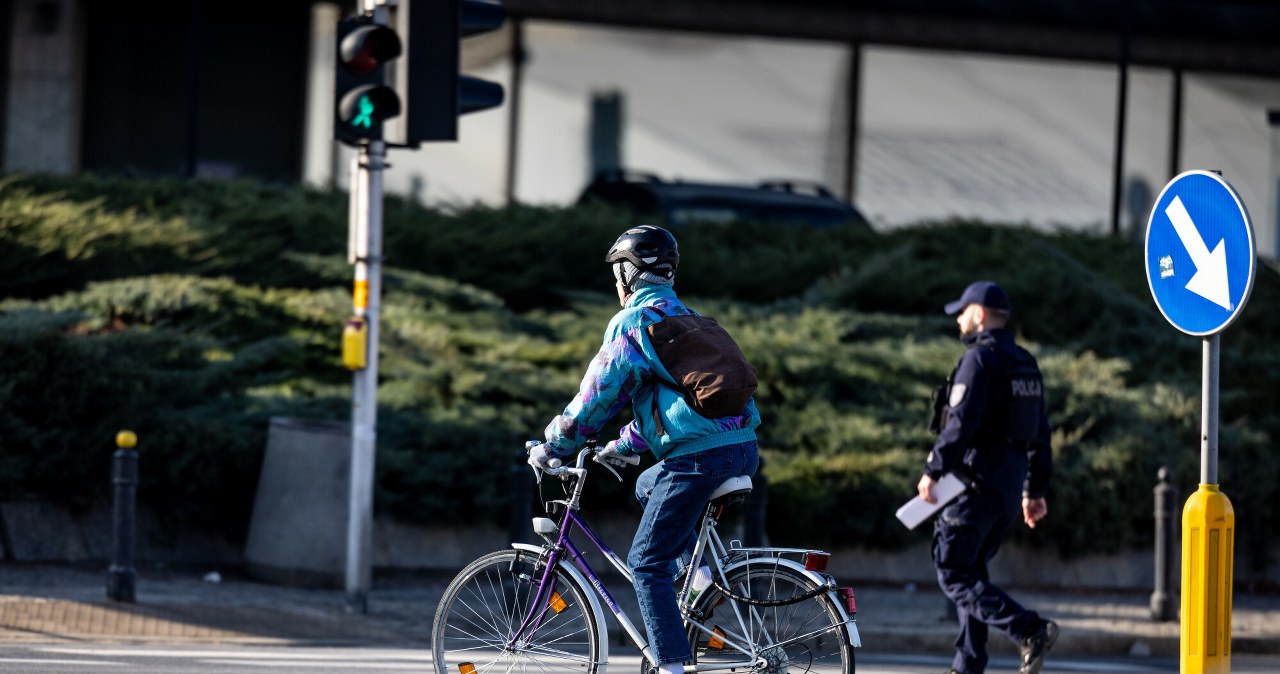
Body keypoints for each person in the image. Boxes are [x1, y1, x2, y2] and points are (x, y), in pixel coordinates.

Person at [528, 224, 762, 674]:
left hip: (699, 459)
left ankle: (671, 665)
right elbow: (677, 404)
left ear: (627, 274)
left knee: (646, 564)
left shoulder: (633, 322)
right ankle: (697, 579)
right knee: (647, 484)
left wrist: (554, 444)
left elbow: (598, 396)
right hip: (741, 448)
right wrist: (622, 446)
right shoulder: (692, 318)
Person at [917, 280, 1057, 674]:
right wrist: (1034, 489)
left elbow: (960, 424)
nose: (958, 320)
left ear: (978, 314)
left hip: (974, 484)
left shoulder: (979, 361)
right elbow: (1040, 432)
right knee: (973, 570)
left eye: (962, 312)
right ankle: (968, 664)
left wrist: (933, 470)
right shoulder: (1025, 363)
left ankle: (1029, 629)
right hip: (1007, 490)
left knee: (953, 571)